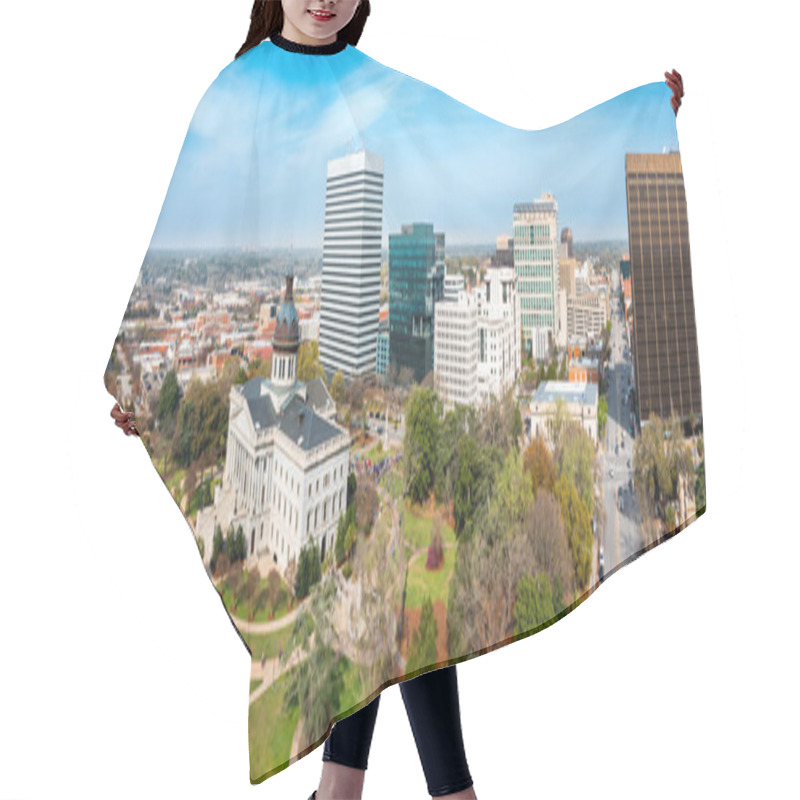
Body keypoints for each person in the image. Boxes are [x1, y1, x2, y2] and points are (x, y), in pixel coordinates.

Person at [109, 2, 685, 798]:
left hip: (337, 427)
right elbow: (196, 210)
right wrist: (143, 388)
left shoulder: (374, 85)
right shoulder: (236, 90)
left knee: (392, 608)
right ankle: (421, 791)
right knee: (387, 610)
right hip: (293, 426)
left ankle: (353, 789)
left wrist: (640, 120)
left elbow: (487, 149)